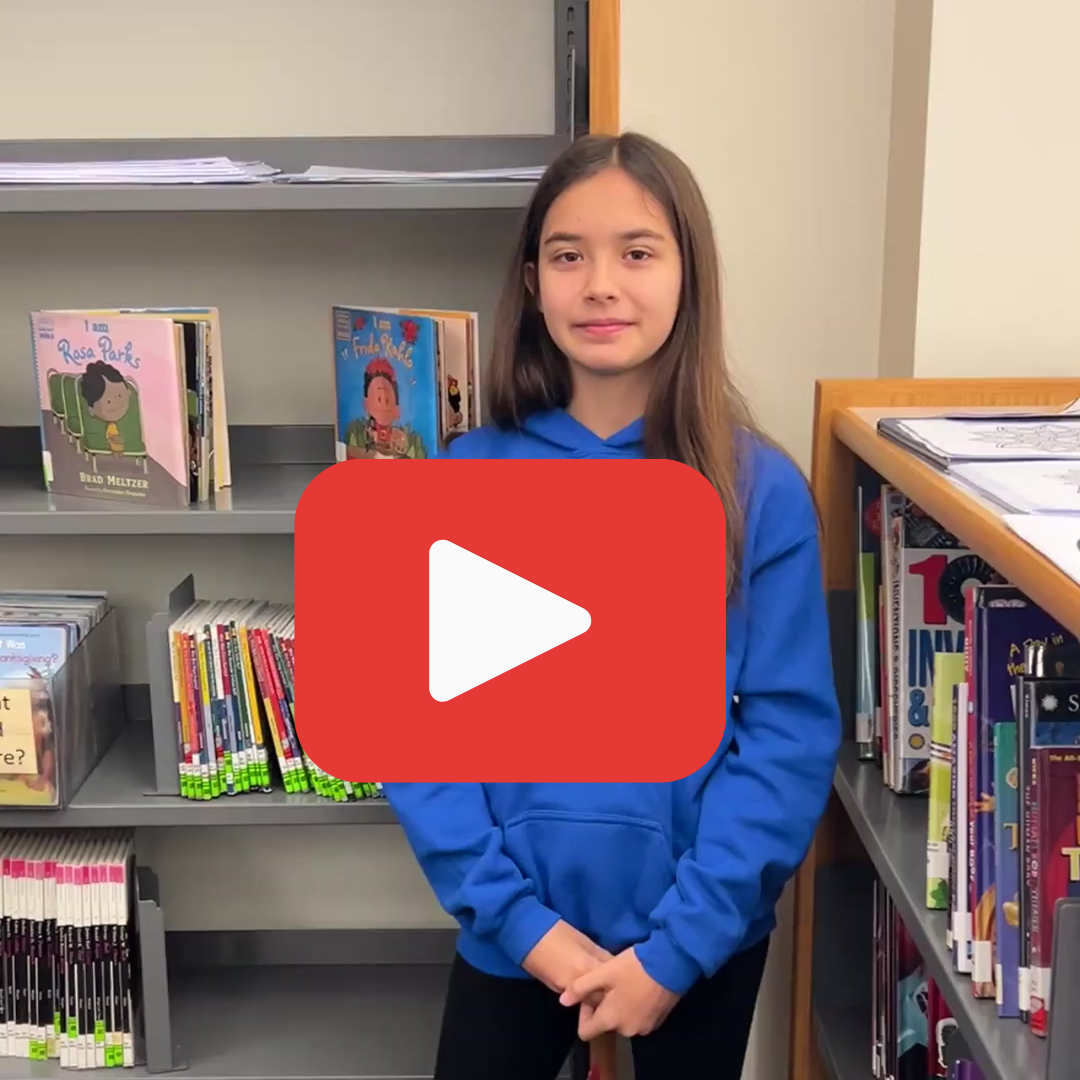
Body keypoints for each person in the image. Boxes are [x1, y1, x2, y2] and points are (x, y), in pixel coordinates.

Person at [381, 130, 842, 1080]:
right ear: (533, 280)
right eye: (568, 255)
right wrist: (524, 926)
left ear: (687, 274)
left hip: (695, 946)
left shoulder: (759, 490)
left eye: (636, 252)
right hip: (513, 938)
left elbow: (786, 738)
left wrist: (675, 950)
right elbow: (419, 738)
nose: (600, 284)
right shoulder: (460, 482)